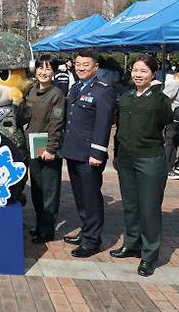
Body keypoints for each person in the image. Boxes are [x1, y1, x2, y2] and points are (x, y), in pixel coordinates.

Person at [112, 55, 172, 277]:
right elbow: (119, 131)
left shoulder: (159, 98)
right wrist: (116, 155)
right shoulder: (126, 98)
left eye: (144, 71)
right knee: (131, 206)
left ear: (153, 74)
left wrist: (156, 91)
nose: (138, 74)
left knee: (149, 209)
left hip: (149, 160)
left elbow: (166, 117)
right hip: (126, 159)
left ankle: (149, 256)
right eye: (135, 70)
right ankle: (132, 243)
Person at [62, 49, 116, 258]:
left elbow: (103, 125)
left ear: (96, 67)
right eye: (77, 64)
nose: (81, 68)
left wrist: (98, 153)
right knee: (80, 197)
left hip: (89, 155)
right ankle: (86, 231)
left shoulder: (103, 90)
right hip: (73, 151)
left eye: (85, 64)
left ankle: (92, 241)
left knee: (91, 198)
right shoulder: (75, 87)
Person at [22, 54, 65, 243]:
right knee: (37, 187)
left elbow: (57, 122)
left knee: (49, 189)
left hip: (46, 145)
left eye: (48, 68)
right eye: (40, 67)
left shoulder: (57, 94)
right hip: (32, 143)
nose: (43, 72)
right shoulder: (30, 90)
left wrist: (51, 147)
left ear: (54, 72)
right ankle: (40, 224)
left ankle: (47, 229)